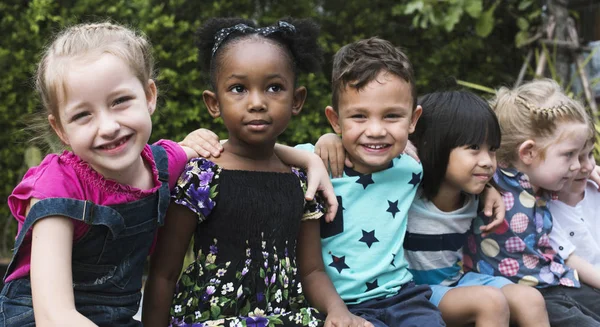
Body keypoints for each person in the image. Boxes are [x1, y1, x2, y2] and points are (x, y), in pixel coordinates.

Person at [0, 21, 336, 327]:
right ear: (60, 129)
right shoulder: (55, 189)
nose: (108, 127)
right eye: (83, 115)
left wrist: (309, 161)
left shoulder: (164, 162)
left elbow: (242, 148)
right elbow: (53, 315)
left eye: (119, 101)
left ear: (149, 97)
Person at [142, 18, 367, 327]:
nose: (257, 102)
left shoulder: (301, 182)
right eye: (238, 89)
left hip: (286, 319)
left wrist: (337, 310)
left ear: (296, 100)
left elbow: (312, 270)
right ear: (214, 103)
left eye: (274, 88)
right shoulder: (202, 177)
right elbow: (164, 273)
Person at [295, 37, 446, 326]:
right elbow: (254, 150)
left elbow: (469, 164)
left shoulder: (411, 168)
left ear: (413, 120)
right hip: (339, 304)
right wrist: (203, 142)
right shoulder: (312, 162)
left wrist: (490, 190)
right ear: (336, 120)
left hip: (403, 296)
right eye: (359, 116)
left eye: (391, 116)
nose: (376, 130)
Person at [405, 90, 549, 326]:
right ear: (435, 144)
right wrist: (330, 142)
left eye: (492, 149)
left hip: (455, 282)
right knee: (490, 302)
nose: (487, 160)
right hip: (414, 291)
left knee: (530, 299)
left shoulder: (475, 194)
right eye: (473, 147)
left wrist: (489, 189)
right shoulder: (408, 190)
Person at [463, 78, 600, 326]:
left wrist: (587, 170)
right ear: (527, 152)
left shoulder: (546, 184)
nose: (577, 165)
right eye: (569, 155)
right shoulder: (491, 181)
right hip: (523, 295)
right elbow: (443, 155)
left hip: (557, 282)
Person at [548, 125, 600, 289]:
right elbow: (569, 258)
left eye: (589, 155)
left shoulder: (595, 191)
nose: (587, 167)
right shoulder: (545, 209)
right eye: (575, 158)